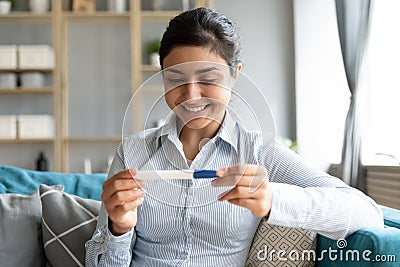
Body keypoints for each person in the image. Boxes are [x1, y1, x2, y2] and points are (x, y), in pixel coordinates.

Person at [85, 7, 383, 267]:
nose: (191, 95)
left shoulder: (260, 153)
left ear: (234, 74)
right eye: (175, 79)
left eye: (208, 79)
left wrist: (272, 199)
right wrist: (118, 228)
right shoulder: (134, 152)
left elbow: (366, 213)